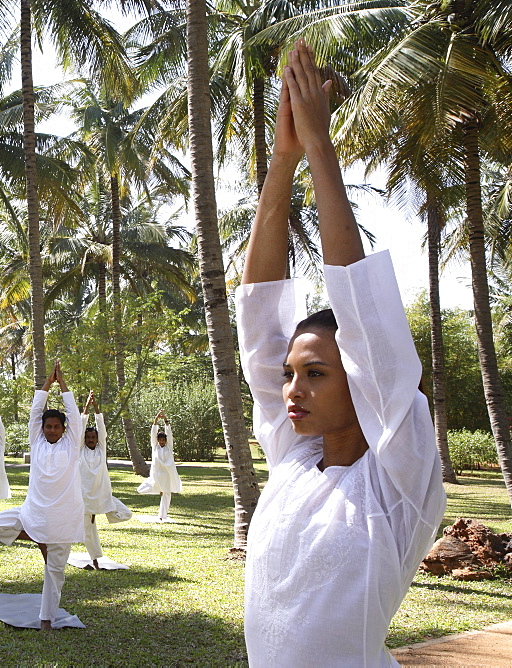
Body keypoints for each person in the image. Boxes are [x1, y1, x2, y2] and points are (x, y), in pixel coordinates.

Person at [236, 40, 446, 666]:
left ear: (361, 377)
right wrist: (282, 161)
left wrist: (321, 153)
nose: (292, 390)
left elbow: (365, 315)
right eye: (291, 374)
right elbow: (258, 314)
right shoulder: (292, 459)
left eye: (317, 374)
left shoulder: (398, 482)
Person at [0, 361, 83, 630]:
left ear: (64, 429)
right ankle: (39, 538)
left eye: (56, 427)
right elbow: (34, 412)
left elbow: (74, 415)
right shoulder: (37, 441)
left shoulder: (73, 444)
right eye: (48, 426)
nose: (51, 430)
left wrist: (62, 384)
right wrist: (45, 385)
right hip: (34, 513)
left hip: (64, 517)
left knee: (55, 574)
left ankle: (46, 619)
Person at [78, 392, 132, 568]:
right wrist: (86, 409)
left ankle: (102, 512)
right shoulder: (80, 450)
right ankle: (94, 561)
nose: (91, 440)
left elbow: (102, 430)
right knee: (89, 531)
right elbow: (80, 429)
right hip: (85, 498)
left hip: (102, 496)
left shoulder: (102, 449)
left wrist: (96, 409)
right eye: (88, 438)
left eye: (93, 438)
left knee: (126, 513)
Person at [137, 410, 182, 521]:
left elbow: (170, 434)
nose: (161, 442)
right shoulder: (155, 447)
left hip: (166, 474)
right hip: (156, 474)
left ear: (165, 441)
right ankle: (157, 490)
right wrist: (156, 419)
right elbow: (153, 433)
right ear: (157, 440)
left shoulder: (168, 447)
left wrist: (166, 420)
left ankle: (163, 516)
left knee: (167, 494)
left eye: (163, 440)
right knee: (143, 489)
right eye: (160, 440)